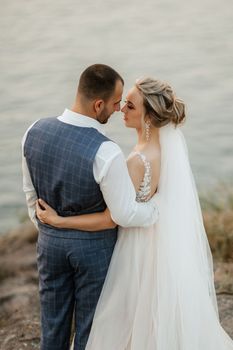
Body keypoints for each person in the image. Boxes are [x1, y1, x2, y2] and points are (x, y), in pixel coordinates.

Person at [37, 77, 233, 349]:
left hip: (137, 247)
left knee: (128, 314)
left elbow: (111, 217)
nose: (122, 110)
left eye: (130, 105)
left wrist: (59, 220)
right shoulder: (166, 152)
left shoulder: (136, 160)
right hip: (162, 243)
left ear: (149, 115)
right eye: (124, 103)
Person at [22, 64, 159, 350]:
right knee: (91, 329)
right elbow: (123, 214)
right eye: (115, 102)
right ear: (99, 105)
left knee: (53, 324)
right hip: (94, 252)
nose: (119, 108)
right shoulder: (106, 151)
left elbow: (30, 196)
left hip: (49, 245)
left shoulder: (33, 131)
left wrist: (51, 231)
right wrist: (157, 210)